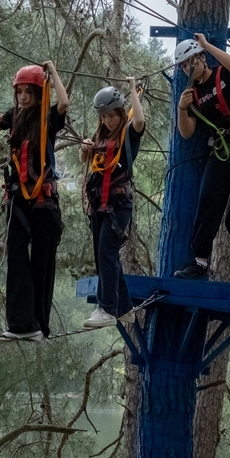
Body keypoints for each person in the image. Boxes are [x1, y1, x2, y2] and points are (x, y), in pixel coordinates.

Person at [0, 61, 69, 340]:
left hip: (43, 200)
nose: (23, 96)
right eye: (20, 91)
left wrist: (52, 72)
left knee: (42, 262)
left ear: (39, 93)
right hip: (18, 199)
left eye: (29, 91)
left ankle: (39, 325)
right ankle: (21, 324)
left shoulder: (48, 115)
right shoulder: (13, 115)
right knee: (17, 258)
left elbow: (64, 102)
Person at [172, 34, 230, 284]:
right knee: (208, 202)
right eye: (182, 66)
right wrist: (182, 108)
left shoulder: (223, 75)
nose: (186, 69)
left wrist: (206, 45)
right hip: (223, 151)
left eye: (190, 62)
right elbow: (187, 131)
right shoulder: (192, 95)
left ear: (202, 59)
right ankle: (201, 262)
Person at [80, 78, 146, 329]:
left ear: (120, 112)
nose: (108, 121)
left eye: (112, 116)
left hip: (118, 203)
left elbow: (139, 121)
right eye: (104, 116)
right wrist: (85, 149)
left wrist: (132, 91)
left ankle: (107, 308)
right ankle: (124, 307)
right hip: (99, 203)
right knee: (104, 255)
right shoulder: (101, 135)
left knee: (106, 252)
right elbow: (83, 158)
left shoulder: (128, 133)